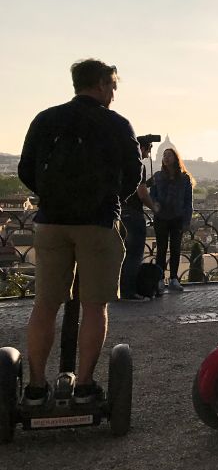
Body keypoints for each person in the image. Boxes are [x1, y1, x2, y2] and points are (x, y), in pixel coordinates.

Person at [17, 58, 141, 405]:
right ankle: (84, 385)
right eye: (112, 87)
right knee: (93, 306)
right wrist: (109, 197)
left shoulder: (46, 119)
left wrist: (54, 195)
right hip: (96, 223)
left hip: (52, 222)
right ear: (102, 85)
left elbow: (27, 169)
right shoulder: (116, 124)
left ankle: (36, 387)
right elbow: (133, 176)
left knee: (44, 305)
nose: (113, 94)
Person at [149, 147, 195, 292]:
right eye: (164, 155)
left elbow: (188, 201)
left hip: (177, 218)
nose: (166, 157)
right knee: (161, 249)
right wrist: (154, 204)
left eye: (168, 155)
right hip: (161, 217)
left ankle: (174, 278)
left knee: (175, 249)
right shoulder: (157, 176)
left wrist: (187, 220)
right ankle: (160, 279)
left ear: (175, 158)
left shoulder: (184, 178)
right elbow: (152, 195)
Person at [119, 137, 158, 300]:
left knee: (122, 254)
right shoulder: (138, 165)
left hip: (120, 214)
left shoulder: (120, 164)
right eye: (148, 150)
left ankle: (118, 290)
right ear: (141, 148)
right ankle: (128, 291)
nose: (148, 154)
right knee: (134, 254)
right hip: (134, 215)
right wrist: (155, 207)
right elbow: (142, 193)